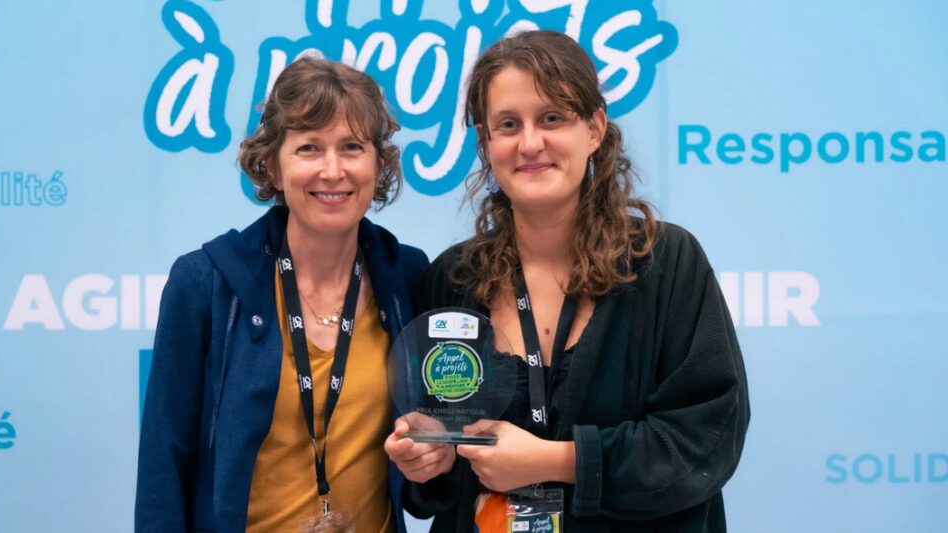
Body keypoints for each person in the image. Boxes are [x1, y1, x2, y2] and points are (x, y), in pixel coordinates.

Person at [386, 30, 749, 531]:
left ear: (595, 128)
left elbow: (705, 440)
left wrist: (556, 460)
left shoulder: (665, 262)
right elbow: (434, 486)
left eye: (552, 117)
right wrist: (428, 462)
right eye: (508, 124)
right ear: (485, 143)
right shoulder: (452, 280)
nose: (531, 142)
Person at [136, 57, 428, 533]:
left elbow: (428, 468)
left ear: (379, 163)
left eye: (352, 147)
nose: (332, 171)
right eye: (309, 148)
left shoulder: (407, 276)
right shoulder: (206, 283)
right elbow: (161, 468)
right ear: (272, 164)